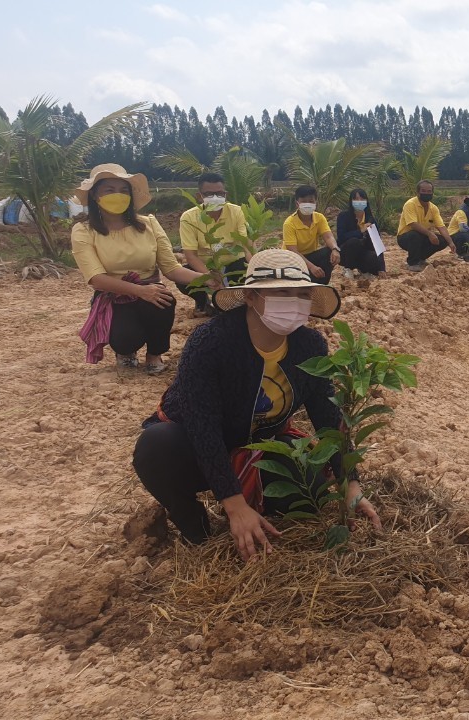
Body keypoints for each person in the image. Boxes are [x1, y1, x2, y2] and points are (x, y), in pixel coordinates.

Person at [132, 248, 381, 560]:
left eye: (302, 294)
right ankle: (196, 527)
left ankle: (255, 504)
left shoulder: (309, 345)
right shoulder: (212, 342)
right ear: (250, 297)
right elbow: (202, 426)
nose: (294, 302)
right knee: (157, 447)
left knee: (310, 492)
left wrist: (350, 484)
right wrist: (233, 505)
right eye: (281, 293)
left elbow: (327, 417)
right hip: (195, 446)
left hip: (259, 444)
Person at [71, 163, 206, 374]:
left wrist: (206, 278)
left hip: (151, 291)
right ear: (95, 196)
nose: (118, 195)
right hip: (114, 295)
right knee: (125, 339)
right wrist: (140, 291)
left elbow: (171, 268)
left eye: (124, 190)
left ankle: (155, 353)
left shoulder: (149, 224)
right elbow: (96, 278)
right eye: (110, 190)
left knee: (164, 300)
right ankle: (125, 351)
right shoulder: (84, 231)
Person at [175, 172, 251, 316]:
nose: (216, 198)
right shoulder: (189, 217)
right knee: (184, 278)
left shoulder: (236, 211)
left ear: (225, 194)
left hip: (232, 262)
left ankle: (232, 303)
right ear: (199, 196)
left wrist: (254, 265)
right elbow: (190, 255)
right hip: (205, 265)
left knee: (239, 284)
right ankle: (203, 301)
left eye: (220, 194)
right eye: (209, 194)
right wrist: (209, 276)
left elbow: (244, 243)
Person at [282, 185, 340, 285]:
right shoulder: (289, 223)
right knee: (307, 276)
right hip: (292, 260)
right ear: (297, 203)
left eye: (311, 201)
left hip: (310, 256)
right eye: (304, 201)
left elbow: (328, 236)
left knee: (328, 252)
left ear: (315, 202)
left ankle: (322, 287)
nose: (308, 204)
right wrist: (312, 267)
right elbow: (293, 251)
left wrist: (335, 249)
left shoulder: (319, 218)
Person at [396, 180, 458, 271]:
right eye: (423, 191)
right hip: (405, 237)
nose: (426, 193)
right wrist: (430, 234)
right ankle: (412, 263)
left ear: (432, 192)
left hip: (423, 236)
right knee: (415, 235)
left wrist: (450, 242)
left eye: (429, 191)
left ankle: (421, 258)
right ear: (418, 192)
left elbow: (441, 227)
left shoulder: (433, 208)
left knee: (442, 240)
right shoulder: (410, 204)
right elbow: (413, 224)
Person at [335, 188, 387, 281]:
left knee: (373, 258)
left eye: (362, 199)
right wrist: (360, 232)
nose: (359, 202)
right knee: (354, 242)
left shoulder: (370, 220)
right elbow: (341, 237)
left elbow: (377, 244)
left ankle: (363, 270)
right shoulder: (343, 216)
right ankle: (348, 268)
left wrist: (382, 268)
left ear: (366, 201)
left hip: (363, 253)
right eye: (356, 199)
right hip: (346, 252)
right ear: (351, 201)